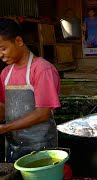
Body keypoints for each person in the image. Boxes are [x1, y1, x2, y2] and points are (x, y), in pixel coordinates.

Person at [0, 18, 61, 162]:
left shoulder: (41, 69)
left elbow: (43, 113)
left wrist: (6, 128)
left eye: (3, 48)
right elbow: (3, 107)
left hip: (41, 148)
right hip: (13, 147)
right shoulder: (5, 73)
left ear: (19, 41)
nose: (0, 54)